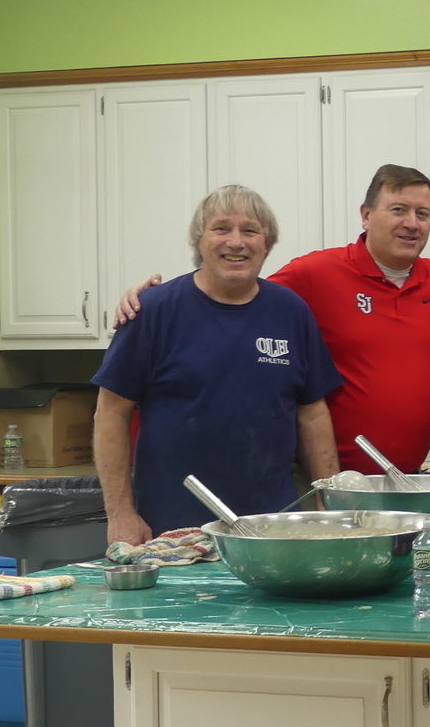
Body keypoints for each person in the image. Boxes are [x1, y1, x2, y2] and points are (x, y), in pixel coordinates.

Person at [115, 164, 430, 476]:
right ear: (367, 215)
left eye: (423, 213)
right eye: (398, 210)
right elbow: (230, 287)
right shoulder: (314, 273)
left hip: (406, 477)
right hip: (320, 481)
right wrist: (150, 298)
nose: (411, 223)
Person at [93, 186, 342, 545]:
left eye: (250, 230)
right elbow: (110, 413)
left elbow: (313, 415)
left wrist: (326, 505)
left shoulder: (292, 312)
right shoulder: (152, 311)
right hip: (172, 528)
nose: (236, 242)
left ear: (267, 244)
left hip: (274, 528)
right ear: (200, 241)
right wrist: (120, 515)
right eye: (222, 228)